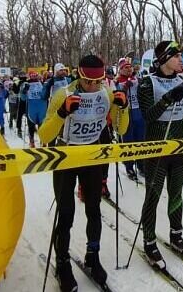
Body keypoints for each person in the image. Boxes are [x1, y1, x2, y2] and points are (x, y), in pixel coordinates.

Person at [39, 54, 129, 291]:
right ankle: (62, 262)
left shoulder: (106, 93)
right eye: (88, 82)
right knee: (66, 212)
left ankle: (93, 255)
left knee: (94, 209)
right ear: (79, 76)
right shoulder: (63, 94)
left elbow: (121, 128)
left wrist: (123, 108)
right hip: (66, 156)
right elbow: (44, 136)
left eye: (98, 81)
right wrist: (61, 113)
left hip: (91, 155)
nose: (92, 86)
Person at [137, 40, 183, 268]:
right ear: (165, 59)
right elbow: (148, 116)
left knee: (176, 194)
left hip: (179, 148)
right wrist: (166, 99)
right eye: (176, 56)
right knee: (153, 196)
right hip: (156, 149)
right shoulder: (147, 83)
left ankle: (176, 234)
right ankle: (149, 241)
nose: (181, 60)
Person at [114, 58, 146, 179]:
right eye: (125, 67)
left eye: (130, 67)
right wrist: (125, 88)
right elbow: (116, 98)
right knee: (128, 141)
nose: (129, 69)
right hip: (126, 113)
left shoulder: (137, 79)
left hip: (138, 112)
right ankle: (129, 167)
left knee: (140, 140)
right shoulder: (117, 82)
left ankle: (141, 165)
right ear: (121, 69)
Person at [22, 71, 47, 147]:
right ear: (29, 76)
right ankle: (31, 141)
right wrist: (24, 91)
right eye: (32, 76)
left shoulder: (42, 84)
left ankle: (43, 140)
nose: (34, 77)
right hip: (31, 107)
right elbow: (23, 98)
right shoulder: (26, 84)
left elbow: (46, 95)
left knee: (42, 125)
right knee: (31, 125)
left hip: (41, 106)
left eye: (35, 76)